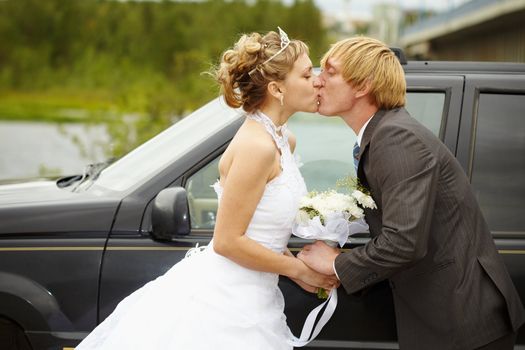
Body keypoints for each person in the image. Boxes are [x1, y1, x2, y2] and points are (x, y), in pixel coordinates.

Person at [75, 28, 338, 350]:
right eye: (305, 73)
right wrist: (299, 269)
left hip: (257, 296)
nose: (316, 80)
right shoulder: (257, 147)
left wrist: (298, 272)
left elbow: (263, 229)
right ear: (277, 88)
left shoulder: (283, 140)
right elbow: (227, 241)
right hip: (225, 303)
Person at [299, 36, 525, 350]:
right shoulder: (384, 133)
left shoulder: (395, 138)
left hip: (463, 324)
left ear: (363, 85)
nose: (317, 81)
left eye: (330, 71)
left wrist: (337, 263)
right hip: (451, 318)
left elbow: (403, 241)